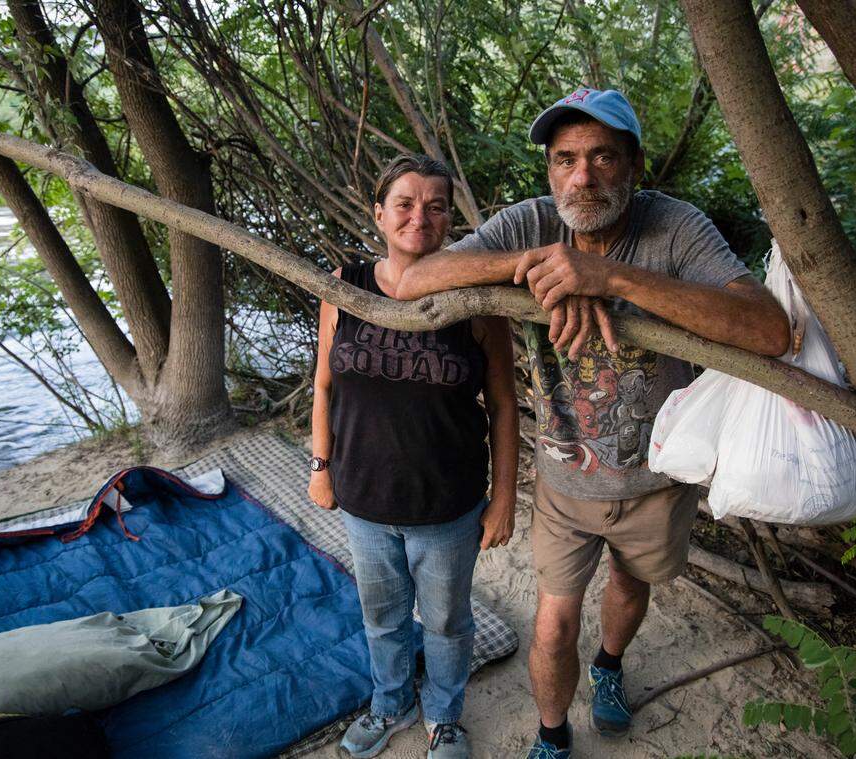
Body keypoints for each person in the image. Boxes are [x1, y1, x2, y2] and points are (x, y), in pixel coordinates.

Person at [394, 88, 791, 758]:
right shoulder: (530, 224)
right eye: (566, 158)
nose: (582, 175)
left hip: (657, 479)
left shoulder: (674, 227)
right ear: (550, 171)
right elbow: (410, 282)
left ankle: (609, 664)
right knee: (552, 623)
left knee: (631, 590)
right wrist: (534, 267)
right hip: (564, 482)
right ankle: (552, 733)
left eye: (603, 156)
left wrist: (608, 277)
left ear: (634, 165)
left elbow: (767, 328)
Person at [307, 154, 519, 759]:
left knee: (448, 622)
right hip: (364, 498)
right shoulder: (344, 286)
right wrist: (320, 467)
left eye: (435, 206)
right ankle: (391, 700)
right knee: (383, 617)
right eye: (404, 203)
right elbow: (323, 383)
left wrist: (502, 498)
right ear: (379, 214)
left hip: (449, 503)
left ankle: (444, 715)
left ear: (450, 219)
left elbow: (504, 405)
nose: (418, 217)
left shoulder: (476, 301)